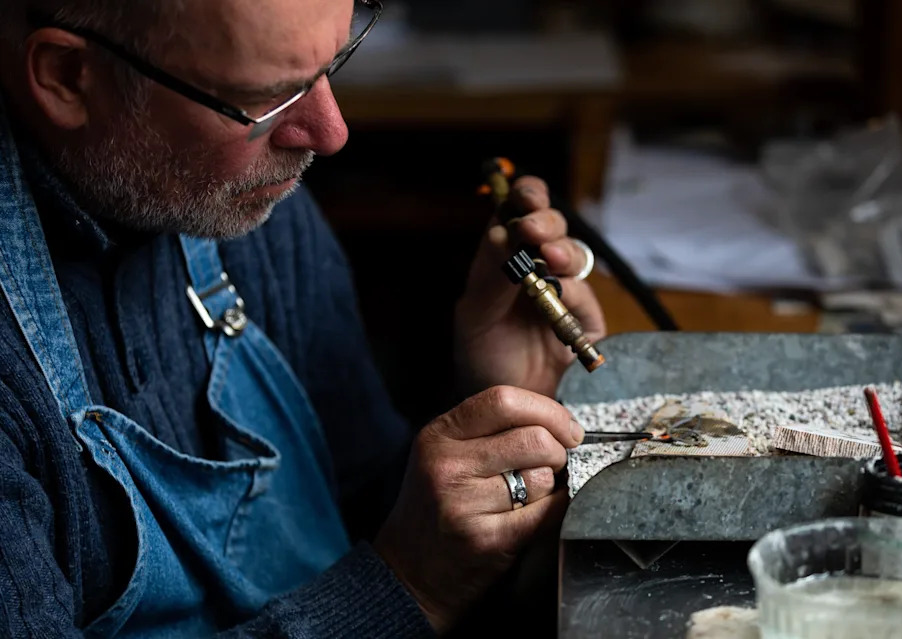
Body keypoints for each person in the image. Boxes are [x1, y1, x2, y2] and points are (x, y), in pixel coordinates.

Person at [0, 0, 606, 637]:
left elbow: (364, 500)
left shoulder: (235, 198)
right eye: (265, 99)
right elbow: (399, 571)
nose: (329, 131)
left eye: (329, 65)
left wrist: (492, 405)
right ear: (69, 76)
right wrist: (406, 590)